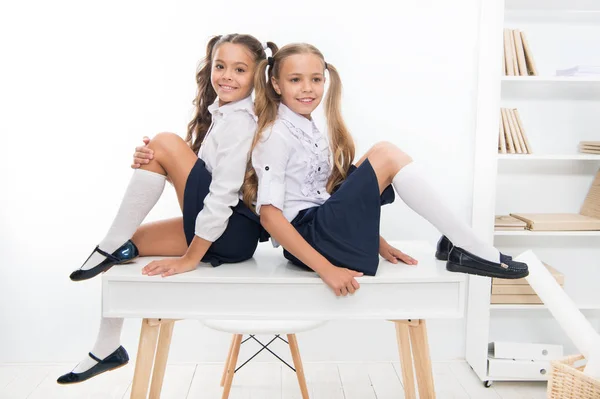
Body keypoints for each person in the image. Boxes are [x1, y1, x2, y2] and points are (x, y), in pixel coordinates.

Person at [57, 33, 277, 384]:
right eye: (220, 66)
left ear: (257, 77)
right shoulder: (223, 115)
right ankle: (107, 348)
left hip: (233, 232)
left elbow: (221, 196)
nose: (226, 76)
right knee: (130, 242)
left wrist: (190, 259)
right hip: (226, 233)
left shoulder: (241, 121)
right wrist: (154, 161)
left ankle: (108, 246)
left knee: (165, 141)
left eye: (240, 69)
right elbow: (198, 179)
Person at [244, 43, 528, 298]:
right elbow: (270, 217)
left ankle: (458, 242)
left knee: (380, 150)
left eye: (316, 79)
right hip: (309, 239)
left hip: (319, 227)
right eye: (296, 80)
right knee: (387, 155)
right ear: (276, 85)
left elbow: (320, 195)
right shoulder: (275, 136)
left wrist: (378, 242)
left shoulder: (305, 126)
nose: (308, 88)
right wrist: (326, 269)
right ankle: (470, 247)